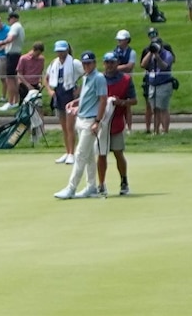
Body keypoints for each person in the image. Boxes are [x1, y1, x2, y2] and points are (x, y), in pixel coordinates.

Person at [55, 51, 107, 199]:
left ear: (94, 63)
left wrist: (97, 121)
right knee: (89, 156)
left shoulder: (99, 78)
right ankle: (91, 187)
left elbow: (102, 100)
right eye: (84, 64)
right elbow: (86, 96)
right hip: (81, 119)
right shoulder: (86, 77)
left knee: (80, 154)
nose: (86, 66)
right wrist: (75, 103)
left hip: (91, 121)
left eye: (89, 63)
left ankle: (71, 188)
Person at [97, 52, 134, 196]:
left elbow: (133, 100)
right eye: (107, 62)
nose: (110, 65)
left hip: (117, 121)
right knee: (101, 154)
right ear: (104, 63)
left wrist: (122, 102)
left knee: (118, 152)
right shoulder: (99, 79)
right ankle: (101, 184)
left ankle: (124, 181)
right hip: (101, 122)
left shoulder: (125, 79)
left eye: (112, 62)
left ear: (117, 63)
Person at [45, 40, 78, 161]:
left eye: (62, 51)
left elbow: (85, 77)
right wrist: (49, 91)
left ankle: (72, 153)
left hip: (69, 94)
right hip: (58, 94)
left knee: (70, 126)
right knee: (64, 127)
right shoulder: (54, 63)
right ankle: (67, 151)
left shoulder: (74, 63)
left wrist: (78, 91)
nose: (60, 53)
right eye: (58, 51)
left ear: (67, 50)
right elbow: (46, 78)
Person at [140, 31, 174, 134]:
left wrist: (157, 56)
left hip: (164, 83)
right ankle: (156, 131)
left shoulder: (167, 54)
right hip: (152, 84)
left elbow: (164, 66)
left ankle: (165, 130)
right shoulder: (150, 53)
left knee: (163, 108)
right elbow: (143, 65)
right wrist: (150, 53)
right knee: (155, 108)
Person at [0, 11, 25, 109]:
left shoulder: (15, 26)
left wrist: (1, 43)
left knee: (10, 79)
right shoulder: (19, 27)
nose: (9, 22)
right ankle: (15, 100)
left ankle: (11, 101)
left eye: (9, 19)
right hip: (15, 54)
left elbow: (11, 38)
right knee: (14, 78)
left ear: (13, 18)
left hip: (12, 55)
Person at [16, 41, 46, 107]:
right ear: (34, 50)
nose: (38, 56)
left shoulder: (41, 59)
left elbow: (41, 71)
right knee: (24, 105)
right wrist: (28, 85)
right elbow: (19, 73)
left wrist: (40, 82)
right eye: (37, 54)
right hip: (24, 85)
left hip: (36, 85)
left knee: (36, 104)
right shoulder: (23, 59)